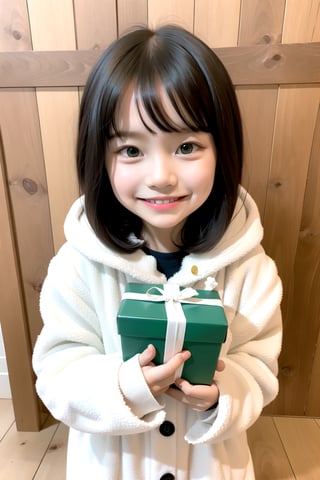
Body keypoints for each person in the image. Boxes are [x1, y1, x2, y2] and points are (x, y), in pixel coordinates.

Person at [32, 24, 282, 480]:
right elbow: (56, 374)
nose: (161, 176)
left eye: (186, 146)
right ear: (98, 157)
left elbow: (260, 369)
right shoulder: (78, 265)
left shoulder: (251, 268)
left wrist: (223, 393)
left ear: (222, 149)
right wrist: (127, 387)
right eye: (130, 149)